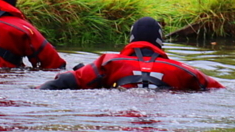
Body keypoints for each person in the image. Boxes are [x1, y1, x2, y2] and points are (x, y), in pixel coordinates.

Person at [39, 17, 223, 91]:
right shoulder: (182, 70)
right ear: (160, 43)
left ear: (131, 40)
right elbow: (218, 90)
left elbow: (65, 81)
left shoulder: (110, 61)